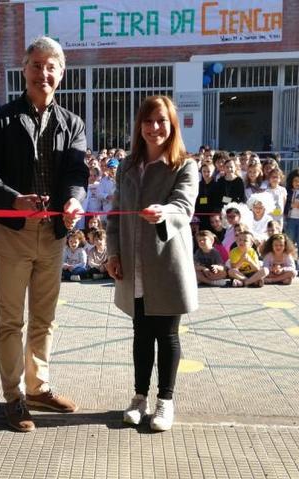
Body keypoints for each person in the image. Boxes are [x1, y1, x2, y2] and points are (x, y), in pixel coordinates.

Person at [0, 36, 88, 432]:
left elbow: (77, 174)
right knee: (10, 320)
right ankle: (13, 395)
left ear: (61, 73)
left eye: (51, 66)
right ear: (24, 70)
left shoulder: (72, 123)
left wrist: (74, 201)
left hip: (54, 234)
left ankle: (38, 387)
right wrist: (11, 199)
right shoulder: (2, 118)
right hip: (13, 232)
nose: (44, 73)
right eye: (36, 65)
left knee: (45, 318)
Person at [105, 95, 198, 432]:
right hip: (134, 264)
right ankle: (139, 397)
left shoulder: (184, 165)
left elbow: (183, 205)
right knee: (141, 333)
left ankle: (165, 402)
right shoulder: (128, 166)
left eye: (161, 121)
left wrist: (164, 213)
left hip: (166, 264)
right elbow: (115, 214)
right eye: (148, 121)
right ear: (139, 126)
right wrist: (112, 252)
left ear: (171, 124)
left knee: (167, 335)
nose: (154, 128)